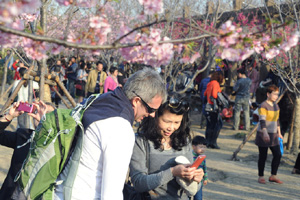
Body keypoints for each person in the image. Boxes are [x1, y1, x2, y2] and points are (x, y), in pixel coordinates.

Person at [54, 67, 166, 200]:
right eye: (150, 109)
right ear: (136, 101)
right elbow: (111, 193)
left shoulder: (102, 100)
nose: (152, 115)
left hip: (62, 191)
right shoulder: (120, 128)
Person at [129, 93, 204, 200]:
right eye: (167, 121)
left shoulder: (184, 141)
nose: (171, 127)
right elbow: (139, 183)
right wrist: (172, 172)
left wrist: (196, 179)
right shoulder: (141, 141)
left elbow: (192, 190)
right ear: (154, 116)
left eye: (177, 122)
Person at [0, 101, 55, 199]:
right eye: (38, 111)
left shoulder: (56, 144)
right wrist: (9, 116)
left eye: (48, 114)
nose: (42, 116)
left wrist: (45, 126)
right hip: (10, 194)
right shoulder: (23, 136)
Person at [255, 85, 283, 184]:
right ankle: (261, 176)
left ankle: (273, 175)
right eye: (274, 94)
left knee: (278, 154)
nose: (276, 96)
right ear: (268, 94)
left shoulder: (276, 106)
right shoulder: (263, 105)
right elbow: (262, 120)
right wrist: (265, 132)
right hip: (263, 134)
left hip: (274, 135)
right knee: (263, 155)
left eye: (277, 94)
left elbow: (277, 120)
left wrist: (279, 133)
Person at [204, 71, 224, 149]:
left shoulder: (210, 83)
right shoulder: (215, 83)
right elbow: (215, 95)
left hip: (208, 107)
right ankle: (213, 142)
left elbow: (205, 94)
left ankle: (208, 142)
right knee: (218, 124)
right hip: (214, 107)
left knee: (210, 125)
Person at [191, 136, 208, 200]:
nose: (203, 149)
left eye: (204, 147)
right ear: (193, 146)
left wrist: (205, 178)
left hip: (199, 181)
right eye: (200, 147)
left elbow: (204, 168)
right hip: (190, 180)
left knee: (198, 197)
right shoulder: (190, 156)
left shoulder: (202, 157)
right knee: (188, 196)